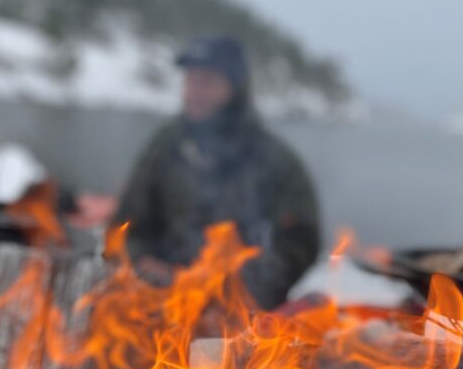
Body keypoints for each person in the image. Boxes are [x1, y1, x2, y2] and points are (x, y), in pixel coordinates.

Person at [112, 35, 320, 308]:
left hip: (241, 315)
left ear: (235, 88)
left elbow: (299, 245)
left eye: (208, 81)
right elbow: (128, 223)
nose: (195, 91)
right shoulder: (166, 146)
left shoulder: (275, 161)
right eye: (190, 80)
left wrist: (230, 285)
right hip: (164, 302)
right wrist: (141, 261)